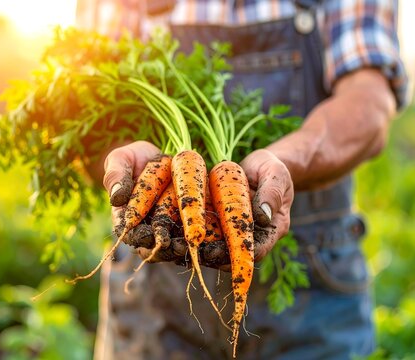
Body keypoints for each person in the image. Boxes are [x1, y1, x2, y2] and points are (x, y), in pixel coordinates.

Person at [76, 0, 409, 359]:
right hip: (152, 303)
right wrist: (136, 175)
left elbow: (368, 102)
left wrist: (282, 164)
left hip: (313, 302)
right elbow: (90, 109)